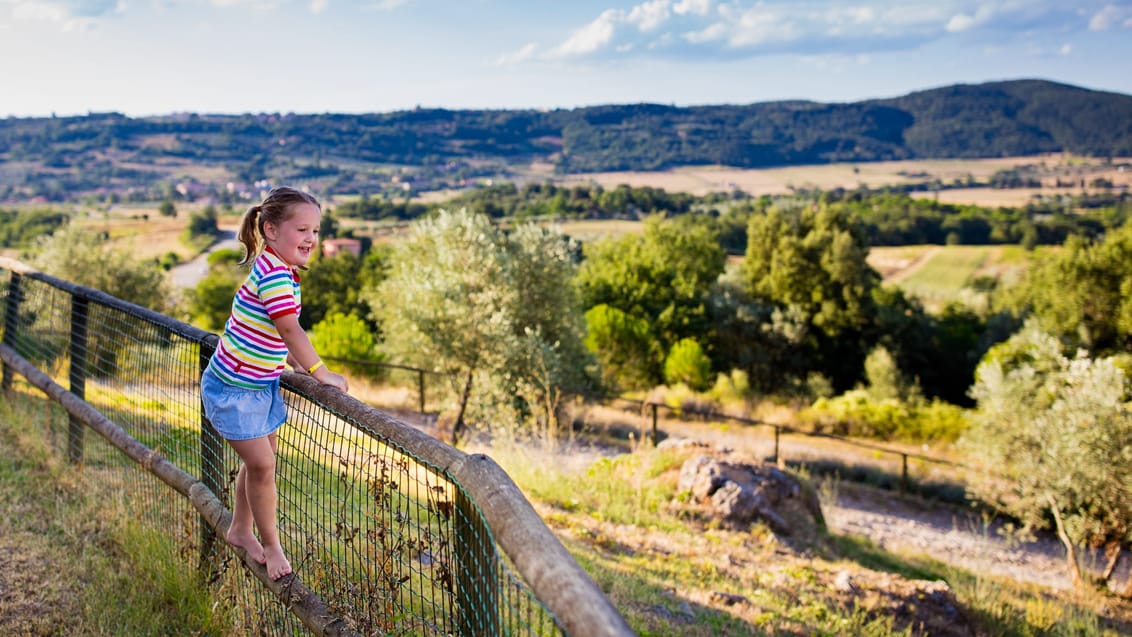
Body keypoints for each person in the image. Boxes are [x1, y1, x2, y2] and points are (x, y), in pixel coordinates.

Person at [200, 185, 348, 580]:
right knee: (263, 465)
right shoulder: (273, 275)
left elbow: (265, 332)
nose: (311, 239)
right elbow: (287, 327)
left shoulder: (280, 271)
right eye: (302, 230)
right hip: (232, 390)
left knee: (261, 464)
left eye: (315, 231)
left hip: (259, 386)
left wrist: (292, 364)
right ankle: (270, 545)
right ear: (270, 230)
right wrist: (319, 370)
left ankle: (239, 529)